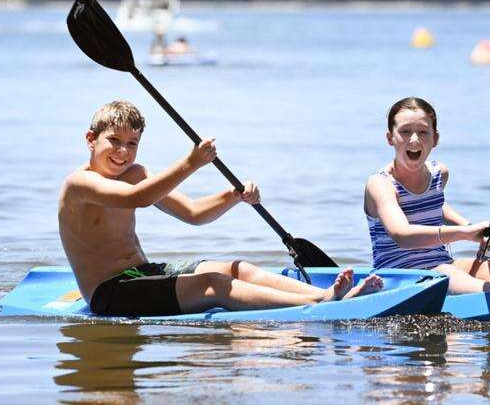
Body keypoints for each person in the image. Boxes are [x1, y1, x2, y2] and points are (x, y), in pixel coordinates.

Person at [59, 100, 383, 317]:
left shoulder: (136, 174)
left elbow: (194, 214)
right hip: (110, 294)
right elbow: (137, 199)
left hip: (143, 273)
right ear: (91, 139)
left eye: (132, 144)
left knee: (234, 268)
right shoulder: (79, 184)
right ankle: (320, 303)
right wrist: (191, 162)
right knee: (213, 284)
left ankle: (319, 294)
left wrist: (233, 196)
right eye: (114, 140)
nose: (123, 151)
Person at [363, 97, 490, 294]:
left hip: (442, 263)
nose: (415, 139)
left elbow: (434, 205)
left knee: (484, 265)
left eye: (423, 132)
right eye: (405, 131)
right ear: (390, 138)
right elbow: (401, 235)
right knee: (449, 273)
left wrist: (472, 229)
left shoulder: (439, 174)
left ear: (435, 139)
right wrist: (464, 234)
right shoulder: (380, 184)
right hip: (397, 276)